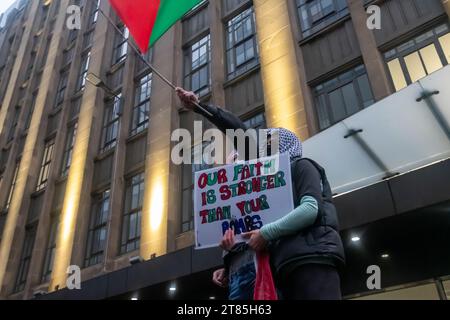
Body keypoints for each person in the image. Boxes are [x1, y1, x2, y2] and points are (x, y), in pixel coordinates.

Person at [177, 88, 345, 300]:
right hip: (283, 265)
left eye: (267, 145)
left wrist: (202, 108)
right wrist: (229, 265)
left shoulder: (302, 167)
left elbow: (309, 209)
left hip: (312, 259)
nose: (259, 152)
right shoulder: (265, 185)